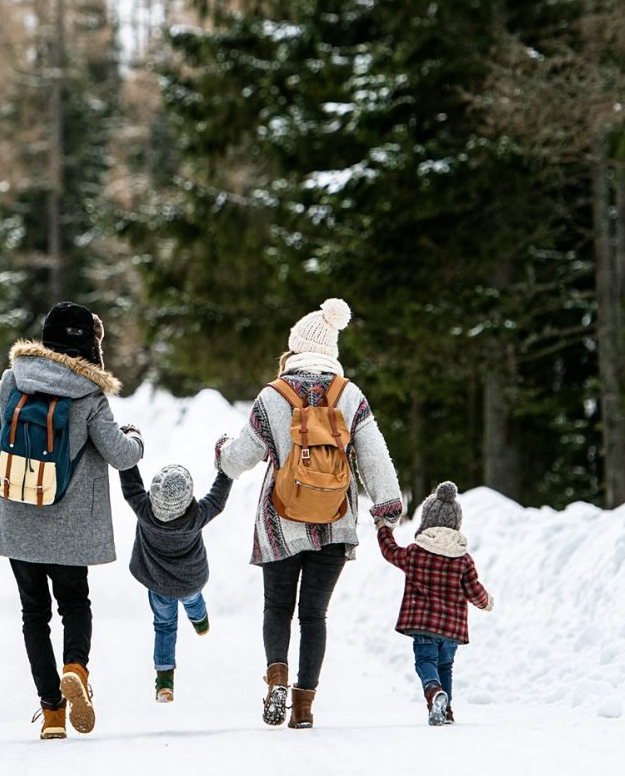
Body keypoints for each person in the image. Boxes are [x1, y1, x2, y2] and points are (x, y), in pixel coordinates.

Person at [0, 302, 144, 740]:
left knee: (34, 612)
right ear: (89, 344)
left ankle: (52, 712)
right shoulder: (90, 394)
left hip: (18, 519)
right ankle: (76, 668)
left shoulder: (14, 380)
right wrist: (135, 438)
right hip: (72, 527)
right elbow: (120, 455)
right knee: (75, 604)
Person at [217, 298, 403, 729]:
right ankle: (303, 706)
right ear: (331, 352)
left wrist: (221, 453)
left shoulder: (272, 396)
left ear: (295, 348)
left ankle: (277, 677)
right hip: (336, 521)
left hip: (280, 521)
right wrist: (387, 509)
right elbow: (375, 457)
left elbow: (239, 459)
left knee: (277, 607)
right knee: (314, 614)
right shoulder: (349, 395)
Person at [117, 442, 233, 702]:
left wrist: (127, 450)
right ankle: (200, 621)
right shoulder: (197, 516)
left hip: (159, 586)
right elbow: (217, 498)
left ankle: (164, 682)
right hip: (191, 581)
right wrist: (225, 469)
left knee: (164, 625)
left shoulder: (144, 511)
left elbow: (131, 485)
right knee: (194, 600)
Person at [375, 481, 493, 726]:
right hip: (452, 630)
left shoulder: (415, 552)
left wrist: (383, 528)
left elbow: (390, 551)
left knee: (425, 663)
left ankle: (433, 692)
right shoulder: (463, 560)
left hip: (424, 625)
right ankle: (446, 710)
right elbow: (473, 590)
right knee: (445, 666)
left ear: (427, 521)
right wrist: (486, 602)